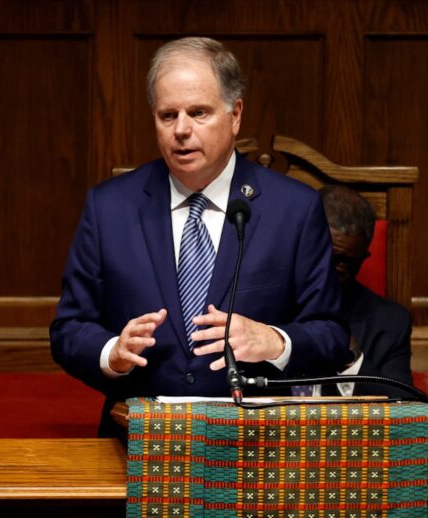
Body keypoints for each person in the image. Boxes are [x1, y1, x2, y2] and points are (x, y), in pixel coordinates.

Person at [49, 37, 350, 437]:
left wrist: (275, 341)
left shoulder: (293, 209)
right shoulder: (110, 207)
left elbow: (331, 334)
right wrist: (113, 353)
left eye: (198, 113)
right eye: (167, 115)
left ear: (235, 114)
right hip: (138, 444)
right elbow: (69, 329)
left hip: (256, 446)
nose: (181, 130)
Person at [317, 185, 413, 398]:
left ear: (362, 260)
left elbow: (403, 409)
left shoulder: (390, 323)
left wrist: (350, 359)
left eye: (346, 263)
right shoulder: (258, 303)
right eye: (328, 257)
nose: (334, 271)